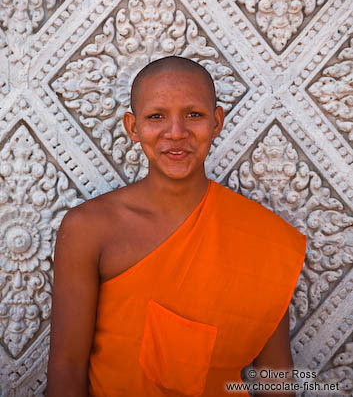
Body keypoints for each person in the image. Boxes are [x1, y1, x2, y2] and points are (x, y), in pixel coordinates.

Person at [46, 56, 306, 397]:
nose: (176, 132)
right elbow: (66, 367)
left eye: (193, 115)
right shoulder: (89, 229)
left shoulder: (263, 239)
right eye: (156, 116)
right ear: (133, 127)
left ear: (216, 122)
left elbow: (276, 379)